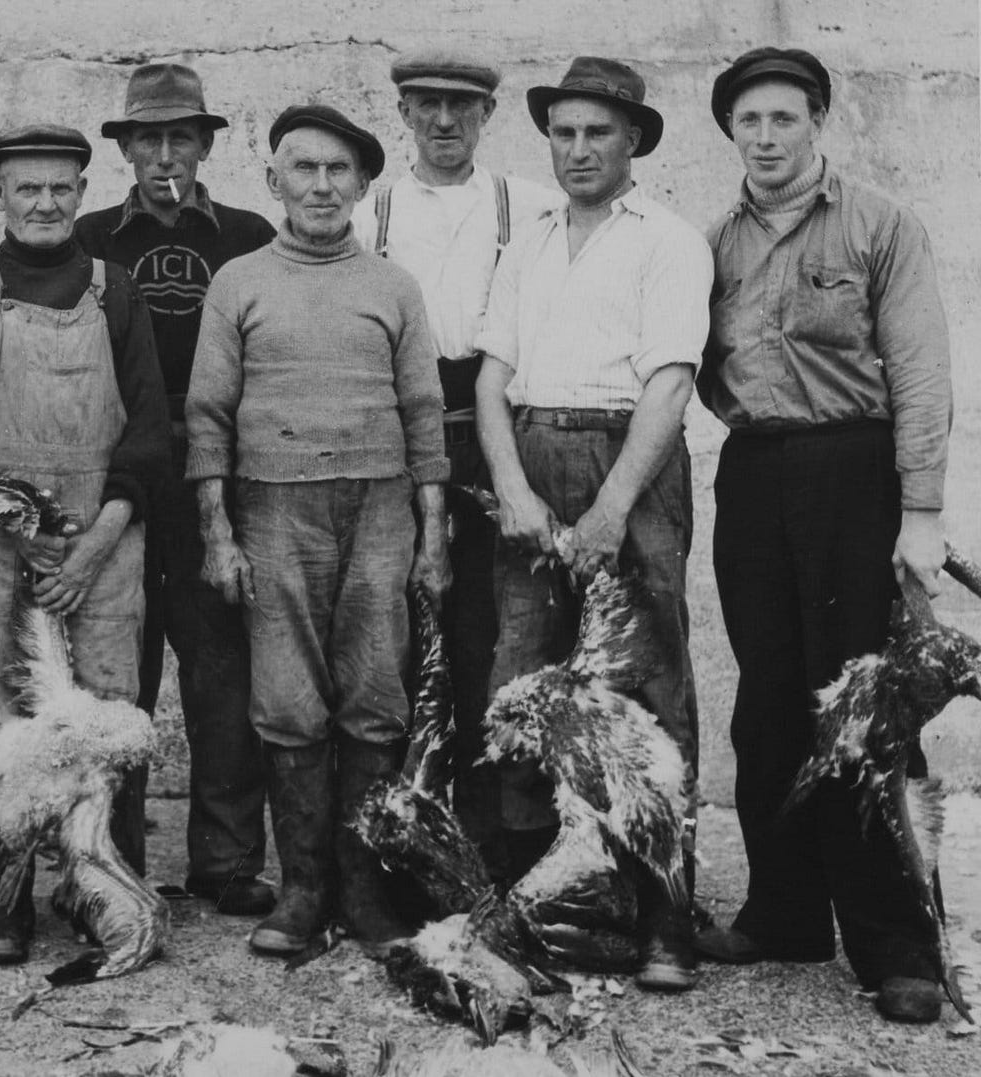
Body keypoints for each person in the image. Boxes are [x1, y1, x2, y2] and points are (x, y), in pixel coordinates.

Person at [694, 48, 953, 1024]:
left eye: (782, 119)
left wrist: (919, 512)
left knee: (859, 705)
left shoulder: (879, 224)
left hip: (856, 470)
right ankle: (783, 912)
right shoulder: (712, 241)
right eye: (748, 121)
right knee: (766, 705)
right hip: (755, 476)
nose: (765, 137)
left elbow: (920, 370)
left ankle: (895, 944)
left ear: (815, 123)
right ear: (732, 132)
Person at [185, 104, 451, 957]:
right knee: (288, 701)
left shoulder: (394, 285)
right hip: (273, 508)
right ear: (274, 182)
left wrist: (433, 531)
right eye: (305, 169)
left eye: (340, 171)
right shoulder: (238, 281)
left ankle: (365, 894)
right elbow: (207, 417)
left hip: (379, 507)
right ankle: (302, 892)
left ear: (363, 186)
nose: (323, 186)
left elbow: (423, 414)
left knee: (375, 697)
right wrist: (217, 532)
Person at [471, 57, 711, 991]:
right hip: (529, 455)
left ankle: (664, 917)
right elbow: (492, 376)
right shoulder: (528, 240)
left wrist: (612, 508)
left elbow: (671, 381)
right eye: (564, 133)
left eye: (597, 132)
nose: (577, 149)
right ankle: (542, 906)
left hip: (629, 464)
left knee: (647, 689)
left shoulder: (668, 240)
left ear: (632, 141)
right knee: (520, 687)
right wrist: (515, 491)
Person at [0, 124, 169, 964]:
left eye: (61, 188)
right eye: (28, 189)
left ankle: (101, 892)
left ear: (81, 193)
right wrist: (14, 520)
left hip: (105, 540)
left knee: (103, 714)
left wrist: (96, 541)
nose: (46, 203)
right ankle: (8, 900)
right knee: (1, 722)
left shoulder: (115, 292)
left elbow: (154, 432)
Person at [351, 48, 564, 880]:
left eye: (463, 106)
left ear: (489, 115)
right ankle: (409, 825)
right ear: (402, 112)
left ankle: (502, 831)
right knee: (404, 622)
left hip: (495, 426)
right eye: (428, 105)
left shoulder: (533, 207)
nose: (445, 121)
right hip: (398, 427)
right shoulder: (369, 211)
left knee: (499, 627)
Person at [75, 63, 276, 913]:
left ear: (204, 146)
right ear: (125, 149)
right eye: (148, 139)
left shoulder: (247, 234)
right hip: (116, 479)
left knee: (222, 670)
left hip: (214, 481)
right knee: (114, 676)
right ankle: (110, 861)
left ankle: (225, 863)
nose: (165, 155)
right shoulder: (86, 238)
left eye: (180, 138)